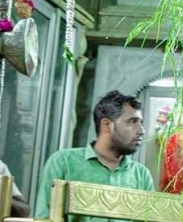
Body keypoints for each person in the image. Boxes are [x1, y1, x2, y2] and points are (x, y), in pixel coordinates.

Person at [34, 90, 154, 220]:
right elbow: (45, 217)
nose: (141, 130)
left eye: (141, 122)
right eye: (132, 121)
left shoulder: (141, 175)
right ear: (107, 125)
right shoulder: (64, 162)